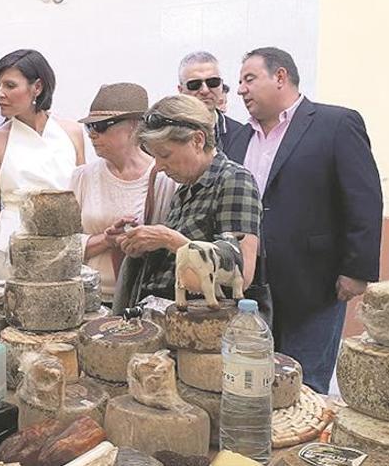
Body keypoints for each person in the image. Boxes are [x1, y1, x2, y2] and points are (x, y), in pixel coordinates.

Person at [225, 47, 382, 393]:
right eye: (239, 82)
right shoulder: (238, 139)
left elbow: (364, 199)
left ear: (280, 76)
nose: (240, 90)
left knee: (304, 386)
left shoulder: (336, 124)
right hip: (250, 289)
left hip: (314, 284)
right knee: (254, 382)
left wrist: (358, 270)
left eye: (249, 79)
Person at [110, 95, 261, 315]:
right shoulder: (185, 188)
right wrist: (141, 243)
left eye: (165, 155)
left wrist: (167, 238)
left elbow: (242, 274)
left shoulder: (235, 181)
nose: (159, 166)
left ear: (198, 140)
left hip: (206, 327)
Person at [0, 49, 85, 285]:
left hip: (65, 250)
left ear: (37, 87)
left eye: (10, 85)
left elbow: (82, 199)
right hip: (10, 252)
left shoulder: (72, 132)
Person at [71, 83, 177, 299]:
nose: (92, 135)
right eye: (89, 127)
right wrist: (106, 240)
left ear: (135, 126)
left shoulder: (165, 178)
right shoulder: (82, 177)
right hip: (88, 300)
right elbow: (61, 246)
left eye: (101, 126)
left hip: (144, 298)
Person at [177, 51, 243, 150]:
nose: (205, 90)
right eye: (195, 84)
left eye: (213, 82)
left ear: (221, 85)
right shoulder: (166, 134)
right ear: (181, 90)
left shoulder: (240, 134)